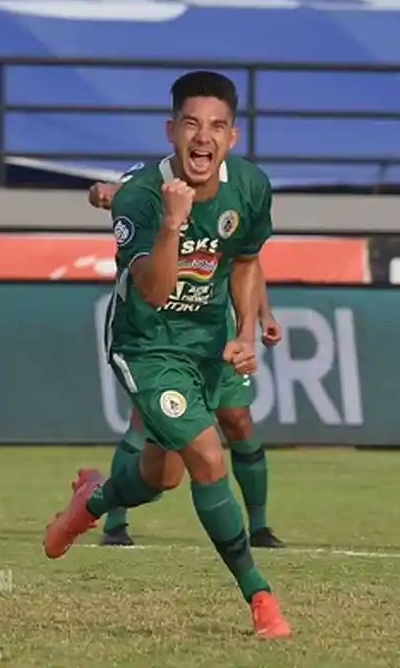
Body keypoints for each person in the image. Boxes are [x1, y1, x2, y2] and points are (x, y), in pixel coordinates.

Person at [44, 70, 292, 639]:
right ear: (171, 130)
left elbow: (245, 262)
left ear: (232, 137)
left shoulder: (250, 187)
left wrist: (246, 331)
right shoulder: (139, 196)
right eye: (191, 124)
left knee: (163, 475)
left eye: (217, 127)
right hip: (147, 344)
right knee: (209, 457)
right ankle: (260, 597)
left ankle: (93, 500)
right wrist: (174, 224)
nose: (203, 137)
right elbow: (155, 291)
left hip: (208, 342)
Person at [87, 174, 286, 549]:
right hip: (157, 330)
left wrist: (264, 315)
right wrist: (105, 192)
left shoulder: (236, 189)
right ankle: (114, 522)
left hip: (213, 329)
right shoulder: (155, 179)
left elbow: (246, 260)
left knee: (237, 420)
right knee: (147, 430)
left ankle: (259, 527)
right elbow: (114, 190)